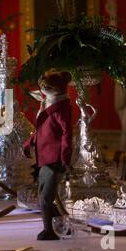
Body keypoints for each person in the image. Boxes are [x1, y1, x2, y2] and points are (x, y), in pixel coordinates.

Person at [23, 70, 72, 241]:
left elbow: (67, 134)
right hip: (44, 158)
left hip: (54, 159)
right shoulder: (47, 105)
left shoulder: (60, 109)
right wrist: (29, 143)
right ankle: (63, 226)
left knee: (45, 198)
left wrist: (65, 158)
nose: (43, 88)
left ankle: (48, 230)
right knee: (44, 194)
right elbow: (41, 130)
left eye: (47, 86)